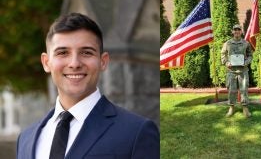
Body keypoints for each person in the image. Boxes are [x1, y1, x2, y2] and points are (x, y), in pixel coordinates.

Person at [16, 13, 159, 159]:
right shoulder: (26, 139)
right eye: (63, 52)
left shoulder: (136, 132)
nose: (75, 63)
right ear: (46, 62)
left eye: (86, 52)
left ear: (103, 61)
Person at [221, 24, 253, 118]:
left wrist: (246, 62)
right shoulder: (227, 43)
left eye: (238, 30)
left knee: (244, 90)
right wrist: (226, 62)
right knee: (231, 90)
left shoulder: (246, 43)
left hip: (243, 71)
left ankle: (245, 108)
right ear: (232, 31)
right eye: (235, 30)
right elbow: (223, 54)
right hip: (231, 71)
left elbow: (250, 55)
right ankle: (231, 107)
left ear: (241, 31)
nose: (237, 31)